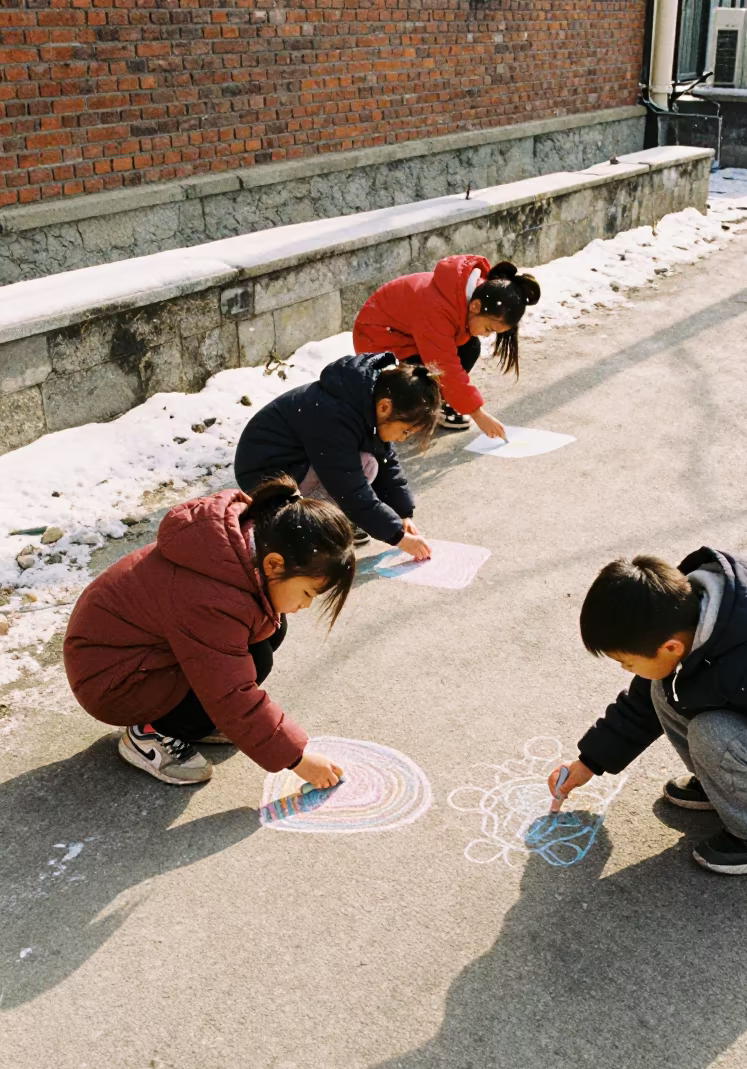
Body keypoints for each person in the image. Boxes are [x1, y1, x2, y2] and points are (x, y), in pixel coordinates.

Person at [549, 549, 747, 875]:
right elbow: (640, 705)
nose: (627, 669)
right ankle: (729, 791)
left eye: (626, 661)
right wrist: (589, 762)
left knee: (713, 732)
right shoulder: (689, 621)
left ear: (670, 647)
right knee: (661, 690)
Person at [63, 476, 355, 788]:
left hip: (136, 653)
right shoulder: (212, 599)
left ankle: (195, 720)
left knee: (268, 633)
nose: (307, 605)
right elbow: (230, 693)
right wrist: (297, 758)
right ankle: (149, 734)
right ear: (273, 564)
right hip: (114, 682)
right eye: (308, 593)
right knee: (249, 666)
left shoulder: (238, 549)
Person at [235, 352, 440, 561]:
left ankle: (333, 519)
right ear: (385, 406)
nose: (402, 439)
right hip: (266, 477)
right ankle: (309, 525)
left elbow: (388, 463)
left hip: (295, 463)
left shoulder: (362, 400)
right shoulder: (335, 415)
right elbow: (348, 488)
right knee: (365, 464)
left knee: (371, 462)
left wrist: (403, 514)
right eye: (405, 432)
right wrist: (397, 537)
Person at [353, 256, 541, 437]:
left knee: (470, 347)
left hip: (409, 337)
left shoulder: (472, 295)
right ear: (475, 306)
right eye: (488, 328)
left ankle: (440, 401)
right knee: (424, 376)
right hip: (378, 341)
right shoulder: (437, 308)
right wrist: (478, 414)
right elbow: (444, 365)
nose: (485, 334)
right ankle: (392, 406)